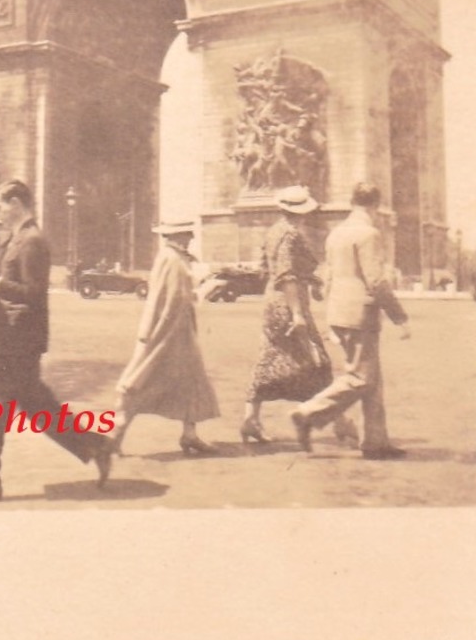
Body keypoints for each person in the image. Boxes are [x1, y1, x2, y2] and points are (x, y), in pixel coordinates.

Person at [0, 179, 113, 502]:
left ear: (17, 203)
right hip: (12, 337)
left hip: (17, 341)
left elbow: (34, 295)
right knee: (37, 406)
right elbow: (12, 287)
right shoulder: (17, 239)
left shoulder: (32, 241)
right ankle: (95, 445)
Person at [291, 181, 411, 459]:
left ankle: (376, 442)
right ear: (375, 206)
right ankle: (307, 413)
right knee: (361, 378)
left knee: (371, 378)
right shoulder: (368, 234)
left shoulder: (337, 233)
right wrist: (399, 316)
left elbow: (329, 276)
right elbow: (376, 281)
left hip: (339, 312)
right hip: (361, 315)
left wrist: (330, 315)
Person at [111, 221, 220, 456]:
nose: (190, 237)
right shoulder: (170, 259)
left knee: (192, 380)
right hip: (170, 333)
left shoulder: (176, 258)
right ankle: (116, 433)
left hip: (179, 332)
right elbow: (167, 300)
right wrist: (202, 291)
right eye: (187, 233)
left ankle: (190, 434)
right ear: (176, 235)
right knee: (145, 379)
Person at [240, 185, 334, 444]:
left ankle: (251, 418)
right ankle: (338, 422)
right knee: (318, 362)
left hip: (273, 302)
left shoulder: (273, 232)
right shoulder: (291, 235)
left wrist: (310, 281)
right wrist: (297, 314)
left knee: (269, 359)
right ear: (302, 212)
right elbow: (287, 275)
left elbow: (267, 270)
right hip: (288, 305)